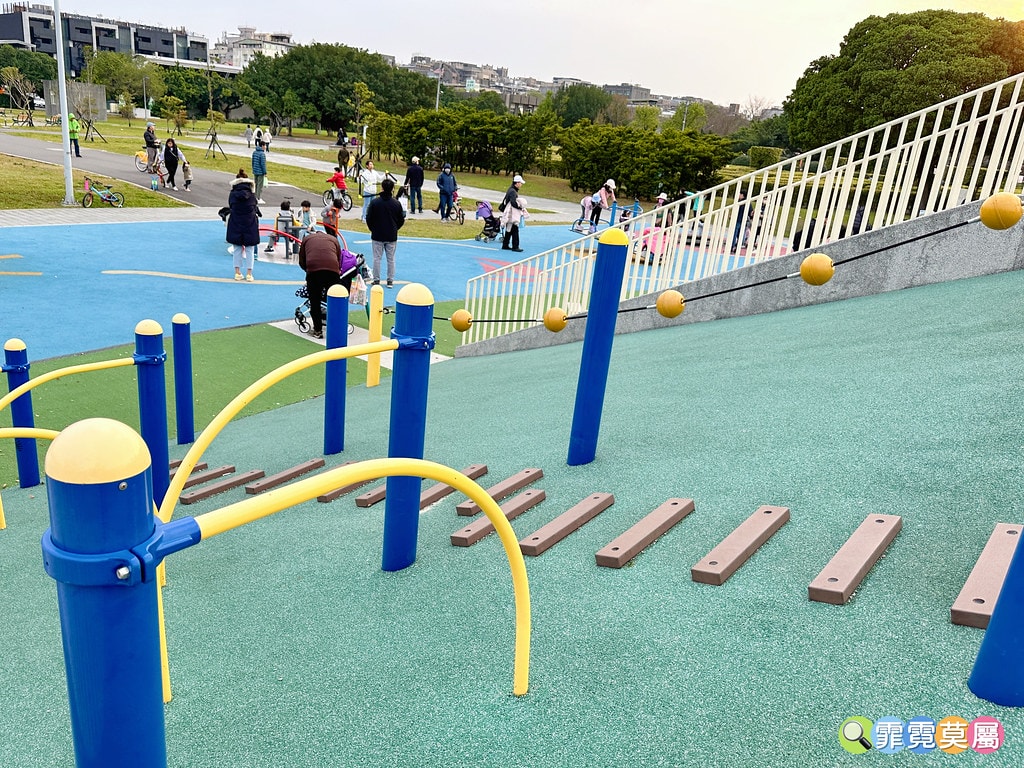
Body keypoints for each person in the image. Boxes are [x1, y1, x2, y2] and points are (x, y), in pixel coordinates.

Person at [298, 230, 356, 339]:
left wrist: (308, 270)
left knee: (314, 301)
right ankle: (337, 327)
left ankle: (317, 330)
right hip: (332, 270)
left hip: (313, 269)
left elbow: (301, 260)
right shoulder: (333, 239)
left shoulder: (306, 239)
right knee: (334, 299)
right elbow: (339, 258)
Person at [365, 177, 405, 287]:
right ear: (392, 189)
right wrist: (395, 228)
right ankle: (390, 280)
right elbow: (401, 219)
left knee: (377, 258)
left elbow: (369, 218)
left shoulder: (375, 203)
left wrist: (373, 228)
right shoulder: (396, 204)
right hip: (391, 234)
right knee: (391, 259)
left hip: (377, 234)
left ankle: (376, 279)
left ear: (382, 188)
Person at [226, 169, 260, 282]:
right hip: (250, 223)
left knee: (237, 249)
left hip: (236, 222)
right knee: (250, 249)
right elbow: (255, 207)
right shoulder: (251, 194)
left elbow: (230, 205)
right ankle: (249, 273)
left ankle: (237, 272)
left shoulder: (232, 194)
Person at [500, 174, 526, 251]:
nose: (521, 185)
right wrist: (520, 207)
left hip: (509, 213)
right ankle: (515, 246)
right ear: (517, 183)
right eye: (520, 183)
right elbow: (513, 203)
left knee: (509, 229)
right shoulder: (513, 191)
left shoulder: (511, 190)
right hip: (511, 214)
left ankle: (505, 244)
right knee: (515, 229)